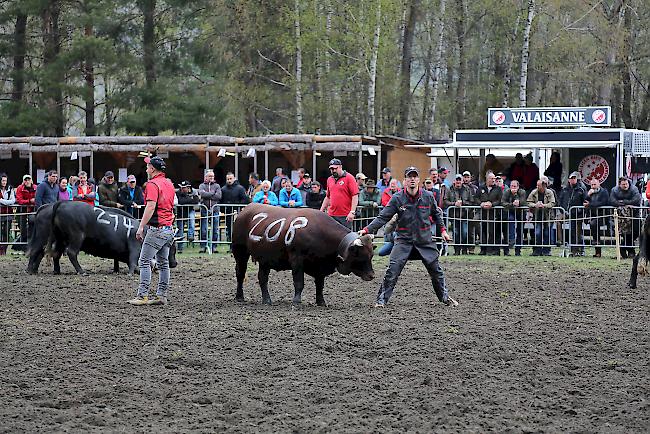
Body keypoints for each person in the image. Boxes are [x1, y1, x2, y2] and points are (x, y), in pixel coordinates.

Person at [360, 166, 457, 308]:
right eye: (409, 177)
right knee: (392, 270)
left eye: (414, 176)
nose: (412, 179)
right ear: (404, 180)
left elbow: (437, 214)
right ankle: (381, 300)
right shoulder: (397, 198)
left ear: (418, 180)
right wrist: (367, 229)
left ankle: (444, 297)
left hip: (424, 240)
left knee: (436, 271)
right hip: (403, 241)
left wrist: (443, 231)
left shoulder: (428, 197)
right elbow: (383, 217)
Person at [128, 156, 176, 306]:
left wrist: (141, 226)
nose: (147, 168)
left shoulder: (152, 184)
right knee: (163, 264)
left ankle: (142, 296)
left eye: (148, 166)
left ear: (153, 169)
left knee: (144, 262)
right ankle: (161, 295)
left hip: (157, 229)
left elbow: (150, 207)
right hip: (169, 229)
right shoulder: (168, 183)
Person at [320, 158, 359, 229]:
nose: (333, 170)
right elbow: (328, 197)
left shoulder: (349, 178)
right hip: (331, 215)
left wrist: (352, 212)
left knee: (346, 238)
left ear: (340, 167)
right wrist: (321, 211)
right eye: (331, 169)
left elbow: (355, 195)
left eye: (335, 168)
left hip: (345, 215)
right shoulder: (329, 179)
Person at [610, 176, 641, 258]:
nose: (625, 186)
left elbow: (637, 200)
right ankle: (631, 252)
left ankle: (623, 247)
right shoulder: (614, 190)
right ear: (619, 184)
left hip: (634, 215)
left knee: (636, 231)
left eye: (626, 184)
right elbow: (612, 201)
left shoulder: (634, 189)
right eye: (623, 184)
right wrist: (626, 204)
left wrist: (623, 202)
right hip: (621, 216)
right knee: (626, 233)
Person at [558, 171, 587, 256]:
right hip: (567, 213)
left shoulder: (581, 189)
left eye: (574, 178)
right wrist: (562, 211)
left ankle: (580, 249)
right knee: (559, 222)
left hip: (578, 214)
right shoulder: (565, 190)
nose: (573, 180)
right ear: (569, 180)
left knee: (578, 233)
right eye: (571, 178)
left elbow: (585, 201)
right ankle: (561, 242)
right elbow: (560, 201)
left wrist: (581, 211)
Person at [443, 174, 472, 255]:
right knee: (456, 233)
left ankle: (465, 250)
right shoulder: (449, 189)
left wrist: (463, 203)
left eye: (460, 180)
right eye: (457, 180)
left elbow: (471, 201)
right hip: (454, 216)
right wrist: (454, 204)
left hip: (465, 215)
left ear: (462, 181)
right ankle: (457, 250)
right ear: (454, 181)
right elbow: (445, 201)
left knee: (465, 232)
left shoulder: (467, 189)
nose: (458, 181)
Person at [527, 179, 556, 256]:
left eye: (539, 185)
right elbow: (528, 202)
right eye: (537, 185)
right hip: (537, 216)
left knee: (547, 233)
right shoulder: (534, 192)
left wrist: (544, 206)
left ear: (544, 186)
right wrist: (535, 205)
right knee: (537, 233)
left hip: (548, 217)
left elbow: (552, 203)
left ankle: (547, 251)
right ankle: (537, 250)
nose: (537, 187)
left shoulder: (550, 192)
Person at [584, 178, 610, 258]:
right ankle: (597, 252)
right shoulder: (590, 192)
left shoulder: (604, 192)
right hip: (592, 215)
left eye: (595, 184)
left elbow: (603, 203)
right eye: (592, 185)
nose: (593, 186)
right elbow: (585, 201)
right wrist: (588, 195)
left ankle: (597, 244)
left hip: (602, 216)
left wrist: (590, 204)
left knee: (594, 225)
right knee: (594, 231)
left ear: (599, 184)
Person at [478, 172, 503, 255]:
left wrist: (492, 204)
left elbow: (500, 200)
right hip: (483, 213)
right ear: (487, 179)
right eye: (491, 178)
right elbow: (475, 198)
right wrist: (481, 204)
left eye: (494, 179)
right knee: (483, 231)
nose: (493, 180)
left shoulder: (498, 189)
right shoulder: (481, 187)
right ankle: (483, 249)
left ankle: (490, 249)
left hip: (493, 213)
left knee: (492, 232)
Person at [199, 170, 222, 253]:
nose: (211, 178)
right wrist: (212, 193)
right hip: (204, 209)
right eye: (210, 176)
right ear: (206, 177)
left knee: (215, 229)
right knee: (203, 229)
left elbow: (218, 196)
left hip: (215, 209)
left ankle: (214, 246)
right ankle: (203, 246)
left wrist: (208, 194)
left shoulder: (217, 186)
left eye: (212, 176)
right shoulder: (202, 185)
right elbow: (202, 194)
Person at [501, 180, 527, 256]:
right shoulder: (507, 192)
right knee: (509, 222)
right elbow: (503, 202)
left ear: (518, 187)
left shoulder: (522, 192)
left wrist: (516, 198)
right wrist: (512, 204)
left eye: (515, 186)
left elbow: (523, 201)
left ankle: (518, 251)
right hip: (510, 212)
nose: (513, 188)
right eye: (511, 186)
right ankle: (507, 249)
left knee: (520, 232)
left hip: (520, 213)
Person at [175, 180, 199, 252]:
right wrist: (189, 200)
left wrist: (187, 200)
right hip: (180, 213)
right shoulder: (178, 193)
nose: (183, 189)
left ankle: (190, 236)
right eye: (182, 187)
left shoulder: (193, 191)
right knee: (180, 230)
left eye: (185, 187)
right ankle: (180, 248)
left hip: (190, 211)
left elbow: (196, 200)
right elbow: (180, 201)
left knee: (192, 223)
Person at [14, 174, 36, 246]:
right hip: (21, 210)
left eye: (28, 179)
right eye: (25, 180)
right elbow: (19, 200)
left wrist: (32, 201)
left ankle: (30, 244)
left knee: (33, 227)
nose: (27, 181)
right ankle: (24, 244)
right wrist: (30, 201)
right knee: (22, 228)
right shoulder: (20, 188)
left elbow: (37, 199)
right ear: (23, 181)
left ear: (31, 180)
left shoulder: (36, 187)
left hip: (33, 210)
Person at [0, 173, 16, 256]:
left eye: (5, 181)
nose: (4, 182)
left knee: (6, 232)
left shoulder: (10, 189)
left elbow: (13, 200)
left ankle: (4, 249)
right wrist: (7, 202)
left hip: (8, 214)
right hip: (0, 213)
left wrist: (2, 201)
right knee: (0, 232)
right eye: (3, 180)